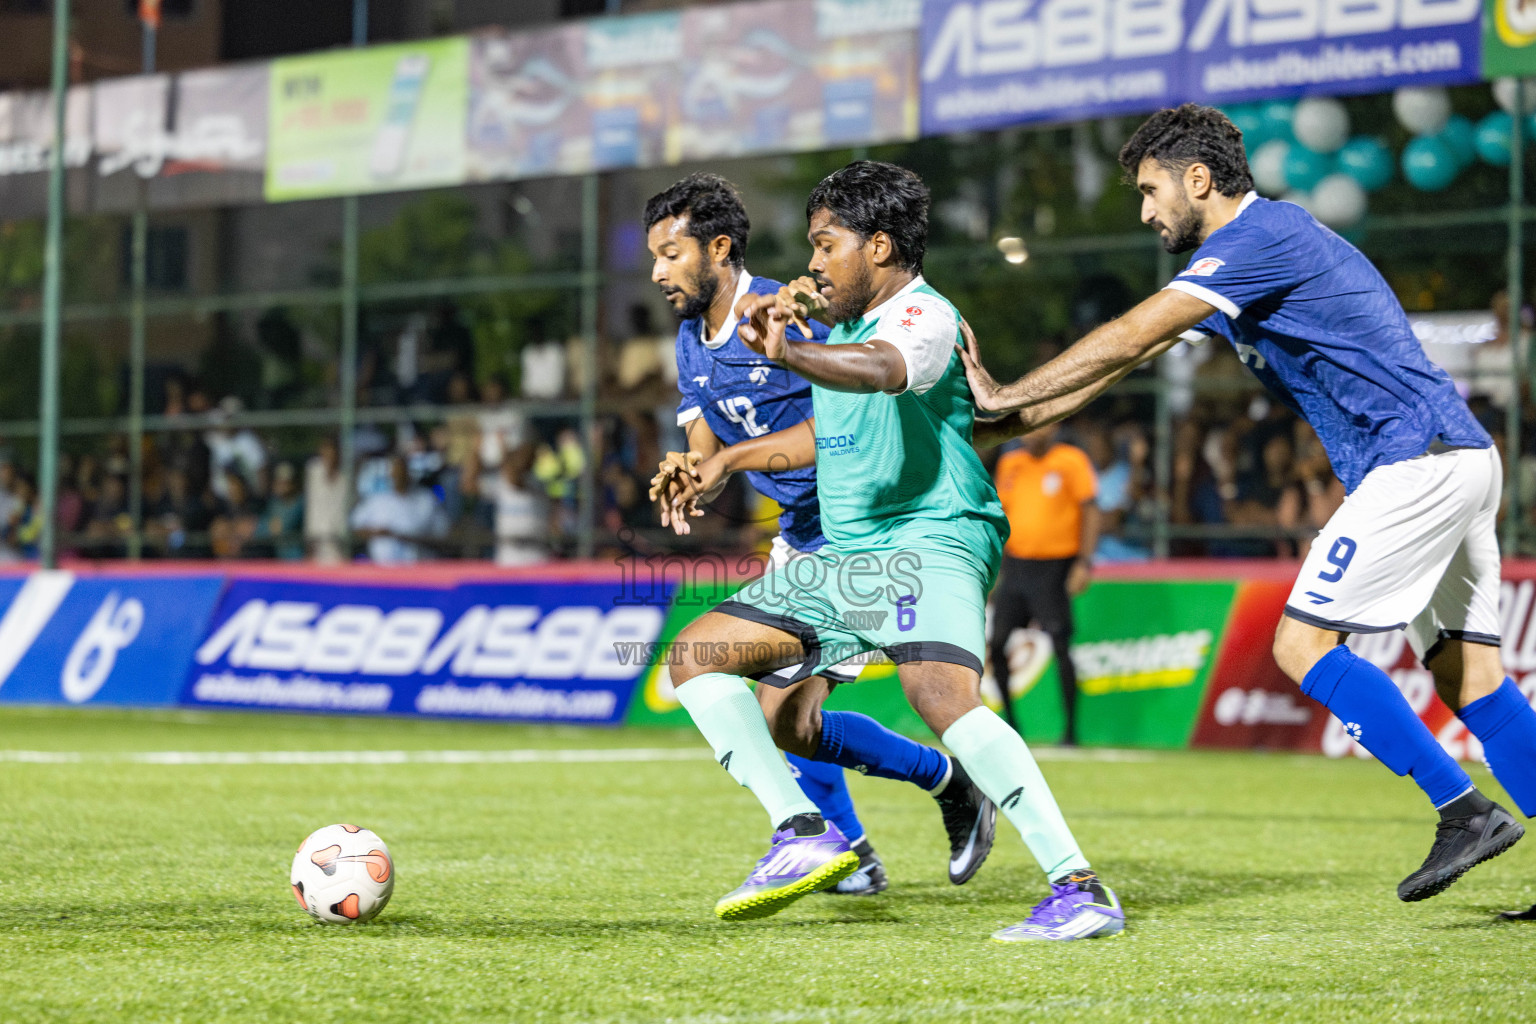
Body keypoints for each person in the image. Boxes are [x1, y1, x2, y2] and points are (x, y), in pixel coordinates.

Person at [959, 103, 1536, 908]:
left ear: (1199, 180)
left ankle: (1463, 812)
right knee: (1470, 677)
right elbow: (1124, 364)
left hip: (1414, 463)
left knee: (1301, 646)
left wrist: (1005, 390)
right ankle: (1473, 811)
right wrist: (996, 423)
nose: (1146, 209)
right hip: (1458, 455)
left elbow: (1129, 335)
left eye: (1152, 189)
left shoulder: (1258, 240)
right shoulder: (1251, 258)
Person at [653, 162, 1123, 941]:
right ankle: (804, 834)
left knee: (941, 699)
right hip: (847, 553)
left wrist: (790, 357)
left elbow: (885, 374)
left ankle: (1079, 886)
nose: (812, 262)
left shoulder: (924, 317)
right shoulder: (835, 331)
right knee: (697, 657)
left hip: (932, 535)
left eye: (825, 245)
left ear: (877, 247)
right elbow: (819, 436)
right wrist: (726, 462)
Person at [643, 171, 996, 899]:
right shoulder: (689, 341)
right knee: (791, 724)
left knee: (741, 686)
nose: (658, 271)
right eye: (654, 256)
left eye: (671, 253)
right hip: (802, 540)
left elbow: (843, 428)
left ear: (719, 247)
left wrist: (730, 461)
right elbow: (708, 451)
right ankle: (925, 798)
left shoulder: (790, 316)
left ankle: (825, 836)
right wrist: (687, 470)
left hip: (864, 532)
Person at [989, 422, 1098, 744]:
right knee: (996, 644)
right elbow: (1000, 516)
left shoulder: (1071, 460)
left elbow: (1090, 510)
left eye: (1040, 424)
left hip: (1054, 567)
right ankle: (1011, 725)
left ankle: (1070, 731)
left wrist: (1084, 562)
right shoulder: (1011, 462)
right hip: (1016, 565)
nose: (1032, 432)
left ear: (1054, 426)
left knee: (1061, 643)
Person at [350, 454, 448, 566]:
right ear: (390, 474)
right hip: (383, 569)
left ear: (409, 473)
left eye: (402, 471)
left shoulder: (425, 499)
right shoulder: (377, 499)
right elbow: (355, 526)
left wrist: (410, 538)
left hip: (419, 568)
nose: (398, 476)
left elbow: (442, 534)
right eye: (395, 472)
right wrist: (378, 533)